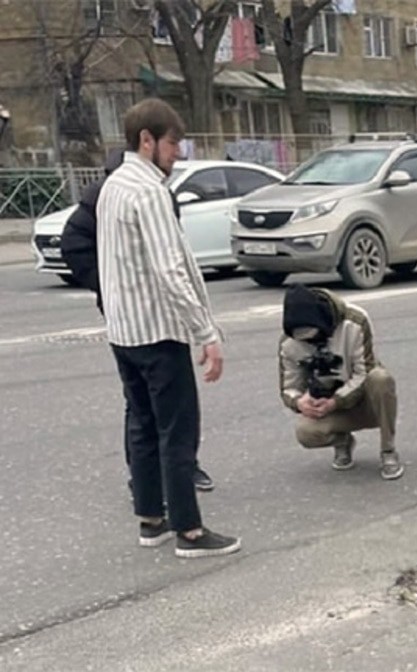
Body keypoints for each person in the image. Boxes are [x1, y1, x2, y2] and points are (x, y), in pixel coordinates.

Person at [97, 98, 238, 558]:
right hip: (159, 330)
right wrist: (206, 332)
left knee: (142, 425)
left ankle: (150, 519)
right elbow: (170, 269)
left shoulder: (113, 185)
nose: (179, 152)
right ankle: (190, 531)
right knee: (177, 431)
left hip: (124, 330)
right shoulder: (150, 192)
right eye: (173, 143)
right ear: (147, 140)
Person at [62, 148, 216, 492]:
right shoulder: (113, 194)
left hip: (151, 312)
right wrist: (109, 285)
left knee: (157, 407)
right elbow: (73, 244)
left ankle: (169, 479)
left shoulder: (155, 192)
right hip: (139, 318)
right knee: (150, 408)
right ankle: (159, 487)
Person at [279, 285, 404, 480]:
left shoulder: (354, 321)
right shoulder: (288, 344)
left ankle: (388, 450)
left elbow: (364, 371)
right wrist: (299, 402)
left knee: (380, 378)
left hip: (366, 399)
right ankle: (342, 441)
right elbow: (288, 388)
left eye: (314, 336)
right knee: (305, 432)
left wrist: (336, 401)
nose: (310, 342)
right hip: (328, 407)